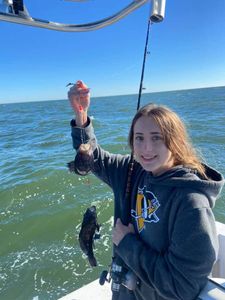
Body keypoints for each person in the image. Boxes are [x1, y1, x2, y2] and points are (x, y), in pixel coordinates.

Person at [68, 80, 224, 300]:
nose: (146, 148)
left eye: (157, 138)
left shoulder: (191, 201)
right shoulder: (132, 169)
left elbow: (182, 287)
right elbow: (91, 158)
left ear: (175, 142)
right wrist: (81, 116)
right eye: (139, 138)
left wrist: (127, 244)